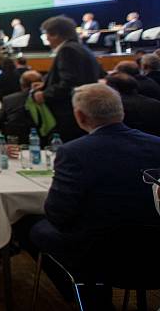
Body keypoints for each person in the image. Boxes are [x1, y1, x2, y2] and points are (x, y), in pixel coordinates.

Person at [22, 84, 160, 304]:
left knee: (28, 225)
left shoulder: (74, 152)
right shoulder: (156, 144)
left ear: (80, 116)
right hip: (155, 252)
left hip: (100, 253)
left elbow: (58, 214)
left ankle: (87, 299)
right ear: (120, 110)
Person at [32, 16, 102, 142]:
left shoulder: (67, 50)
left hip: (68, 114)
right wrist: (45, 84)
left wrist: (45, 94)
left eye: (46, 34)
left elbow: (70, 83)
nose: (46, 38)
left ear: (55, 34)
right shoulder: (80, 48)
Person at [0, 70, 43, 144]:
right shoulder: (49, 99)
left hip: (14, 142)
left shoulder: (9, 100)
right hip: (42, 141)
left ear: (21, 84)